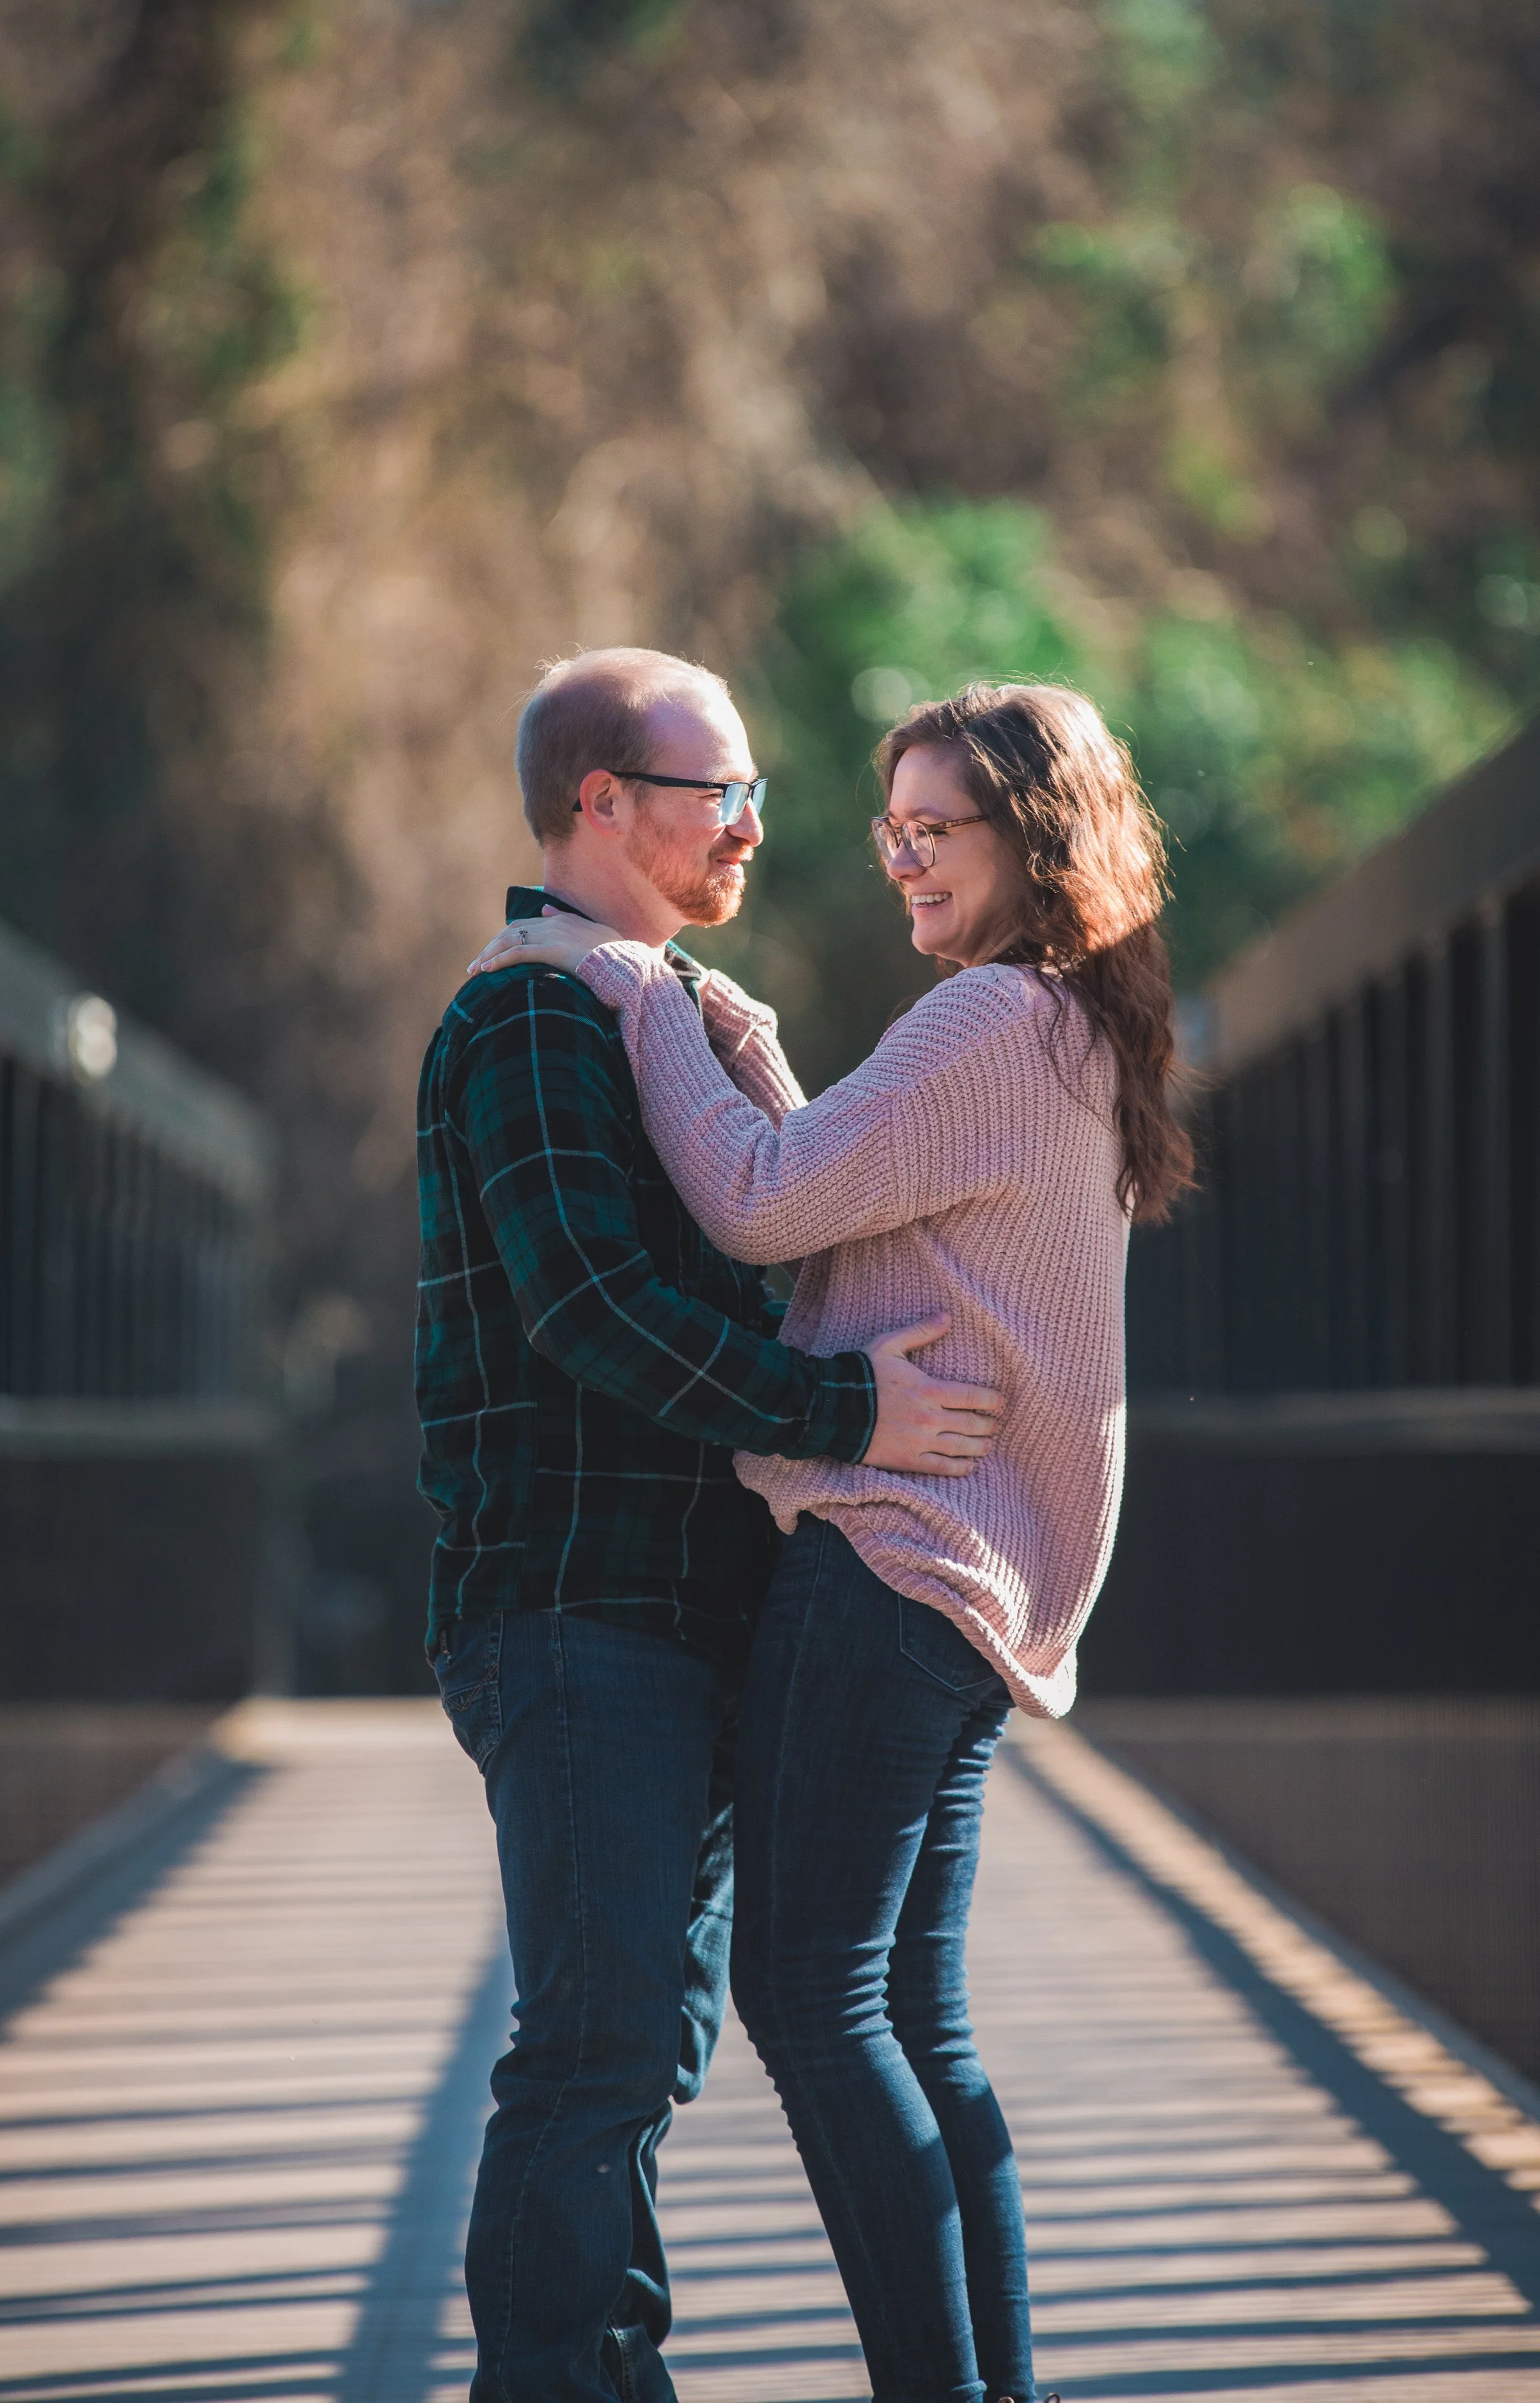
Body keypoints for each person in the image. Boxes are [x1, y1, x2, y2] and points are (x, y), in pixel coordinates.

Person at [473, 679, 1194, 2403]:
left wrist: (634, 988)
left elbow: (755, 1202)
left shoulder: (980, 1028)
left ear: (1029, 838)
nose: (899, 864)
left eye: (929, 830)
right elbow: (842, 1189)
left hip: (886, 1558)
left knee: (816, 2007)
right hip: (971, 1579)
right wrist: (727, 1030)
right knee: (917, 2027)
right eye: (891, 830)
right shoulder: (1065, 1027)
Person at [417, 646, 1007, 2403]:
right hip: (577, 1607)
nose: (755, 821)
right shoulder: (530, 1016)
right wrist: (856, 1415)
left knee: (636, 2049)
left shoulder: (658, 1007)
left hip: (682, 1618)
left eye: (754, 790)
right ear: (600, 802)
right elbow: (590, 1304)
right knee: (596, 2053)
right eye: (716, 790)